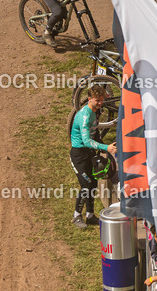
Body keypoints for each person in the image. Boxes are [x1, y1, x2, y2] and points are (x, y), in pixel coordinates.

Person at [70, 84, 117, 228]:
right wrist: (105, 147)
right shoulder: (85, 116)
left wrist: (102, 147)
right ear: (89, 99)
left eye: (102, 100)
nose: (100, 103)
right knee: (86, 185)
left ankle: (90, 215)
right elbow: (86, 140)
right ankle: (77, 216)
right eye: (97, 100)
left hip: (89, 153)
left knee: (93, 183)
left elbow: (95, 131)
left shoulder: (96, 111)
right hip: (79, 155)